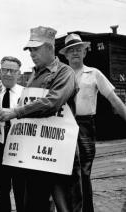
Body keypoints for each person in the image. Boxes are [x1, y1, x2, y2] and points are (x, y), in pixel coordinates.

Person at [0, 26, 83, 212]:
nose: (32, 54)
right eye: (30, 50)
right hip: (36, 156)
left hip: (60, 154)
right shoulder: (34, 74)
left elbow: (53, 102)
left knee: (66, 205)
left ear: (50, 48)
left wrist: (16, 112)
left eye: (36, 49)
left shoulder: (65, 72)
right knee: (35, 204)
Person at [59, 33, 126, 212]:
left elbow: (114, 99)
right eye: (71, 50)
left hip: (84, 127)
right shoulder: (59, 76)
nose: (75, 53)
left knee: (84, 173)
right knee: (64, 172)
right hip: (63, 126)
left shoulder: (94, 73)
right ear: (65, 55)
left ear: (85, 53)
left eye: (79, 50)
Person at [0, 56, 25, 212]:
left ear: (19, 74)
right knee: (0, 188)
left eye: (13, 71)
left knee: (21, 188)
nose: (8, 74)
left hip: (20, 146)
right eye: (5, 70)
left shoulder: (26, 93)